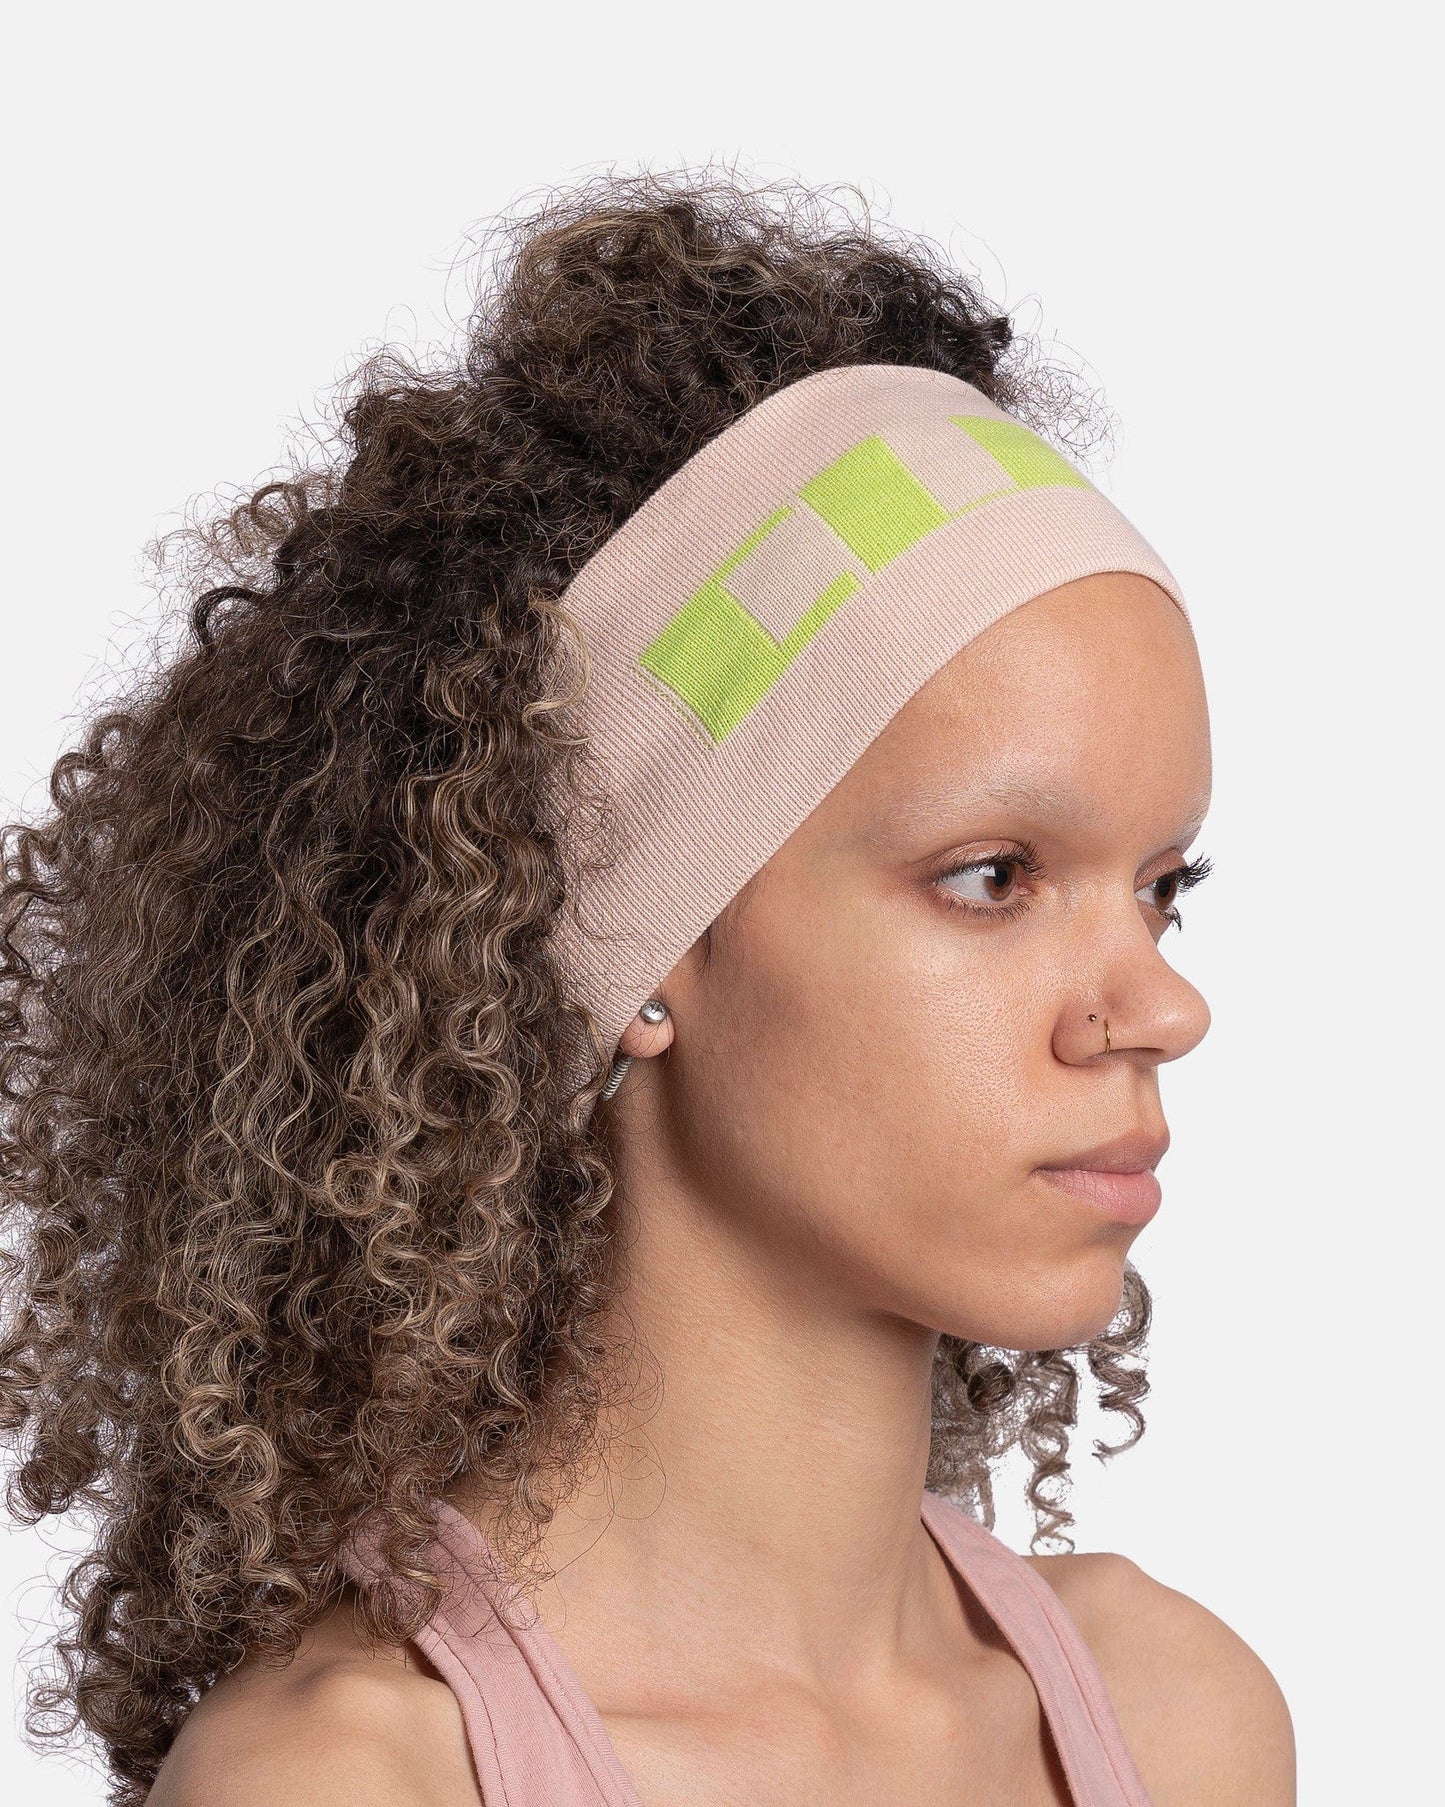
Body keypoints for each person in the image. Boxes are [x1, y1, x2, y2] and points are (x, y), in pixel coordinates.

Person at [0, 170, 1295, 1806]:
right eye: (991, 877)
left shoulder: (1176, 1722)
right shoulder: (365, 1783)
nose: (1159, 1010)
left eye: (1161, 889)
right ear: (641, 931)